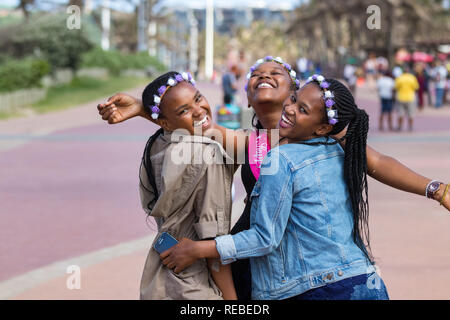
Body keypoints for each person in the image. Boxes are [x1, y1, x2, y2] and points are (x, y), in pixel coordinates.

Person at [98, 56, 450, 300]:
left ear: (300, 93)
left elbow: (374, 162)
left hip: (327, 275)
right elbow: (196, 124)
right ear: (248, 96)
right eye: (256, 75)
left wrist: (435, 189)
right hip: (264, 273)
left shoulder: (326, 139)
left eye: (275, 73)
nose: (263, 75)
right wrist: (149, 108)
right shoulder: (250, 142)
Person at [160, 76, 393, 300]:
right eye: (293, 100)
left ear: (322, 127)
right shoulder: (335, 147)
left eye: (303, 109)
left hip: (315, 288)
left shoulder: (281, 158)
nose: (291, 109)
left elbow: (264, 238)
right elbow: (196, 124)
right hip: (362, 279)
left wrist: (197, 250)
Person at [99, 71, 237, 300]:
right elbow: (214, 243)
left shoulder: (156, 143)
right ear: (163, 121)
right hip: (197, 284)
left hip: (161, 278)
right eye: (184, 110)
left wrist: (145, 111)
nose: (199, 110)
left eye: (198, 98)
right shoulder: (208, 153)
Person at [394, 67, 419, 131]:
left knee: (400, 113)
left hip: (401, 97)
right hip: (410, 98)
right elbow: (416, 87)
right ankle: (410, 127)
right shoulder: (412, 78)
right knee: (411, 114)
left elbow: (396, 87)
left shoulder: (399, 78)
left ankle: (400, 127)